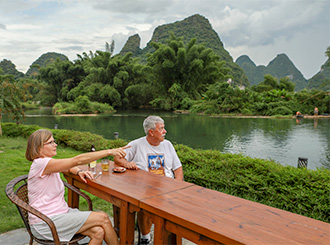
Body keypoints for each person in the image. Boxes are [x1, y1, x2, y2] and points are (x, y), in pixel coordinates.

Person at [26, 129, 129, 244]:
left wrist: (79, 171)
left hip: (60, 214)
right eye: (50, 142)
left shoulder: (48, 163)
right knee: (103, 218)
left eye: (54, 141)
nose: (55, 144)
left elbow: (70, 167)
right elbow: (77, 160)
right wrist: (109, 152)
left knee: (98, 232)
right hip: (45, 222)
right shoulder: (41, 164)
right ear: (39, 147)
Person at [114, 115, 183, 244]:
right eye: (161, 128)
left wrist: (177, 186)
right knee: (145, 206)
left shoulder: (167, 145)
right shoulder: (136, 144)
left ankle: (170, 238)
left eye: (164, 128)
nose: (165, 131)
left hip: (168, 188)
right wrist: (127, 163)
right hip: (145, 189)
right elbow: (118, 158)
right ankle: (145, 238)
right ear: (151, 132)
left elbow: (178, 168)